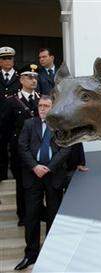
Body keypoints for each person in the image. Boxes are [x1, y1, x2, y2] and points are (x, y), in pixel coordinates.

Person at [15, 95, 71, 270]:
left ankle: (51, 252)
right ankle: (31, 255)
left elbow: (66, 148)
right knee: (31, 216)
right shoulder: (29, 124)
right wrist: (35, 167)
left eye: (46, 105)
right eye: (40, 105)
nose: (43, 108)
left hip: (53, 176)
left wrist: (49, 167)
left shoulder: (61, 125)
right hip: (33, 177)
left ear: (53, 107)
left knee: (53, 216)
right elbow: (22, 146)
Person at [1, 64, 40, 226]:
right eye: (29, 77)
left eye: (35, 77)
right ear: (22, 80)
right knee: (22, 184)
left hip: (38, 149)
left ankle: (37, 213)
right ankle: (23, 215)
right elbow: (4, 126)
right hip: (19, 150)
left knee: (38, 184)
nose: (33, 80)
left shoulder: (42, 100)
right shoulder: (12, 101)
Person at [0, 46, 20, 181]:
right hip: (0, 120)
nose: (7, 61)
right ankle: (1, 174)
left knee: (16, 148)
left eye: (10, 58)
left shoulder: (21, 77)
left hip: (15, 119)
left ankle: (16, 173)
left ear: (13, 60)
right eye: (4, 58)